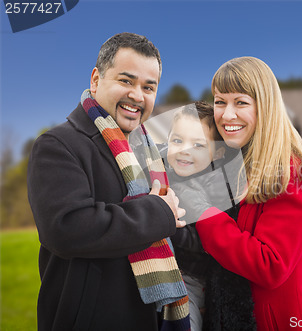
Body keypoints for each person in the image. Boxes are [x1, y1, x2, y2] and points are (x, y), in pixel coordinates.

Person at [27, 32, 188, 331]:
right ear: (96, 79)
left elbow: (171, 228)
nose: (138, 96)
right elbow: (66, 228)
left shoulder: (149, 152)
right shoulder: (57, 145)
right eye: (126, 81)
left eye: (148, 87)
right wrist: (158, 212)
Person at [194, 56, 302, 330]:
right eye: (220, 101)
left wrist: (203, 211)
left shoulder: (294, 173)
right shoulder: (235, 162)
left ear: (265, 106)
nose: (226, 115)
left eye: (240, 102)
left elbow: (270, 265)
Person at [166, 101, 256, 331]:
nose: (184, 150)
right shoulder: (162, 174)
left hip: (197, 279)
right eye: (177, 141)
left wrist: (168, 226)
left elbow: (204, 241)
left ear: (217, 153)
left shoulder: (219, 189)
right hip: (168, 272)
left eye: (198, 145)